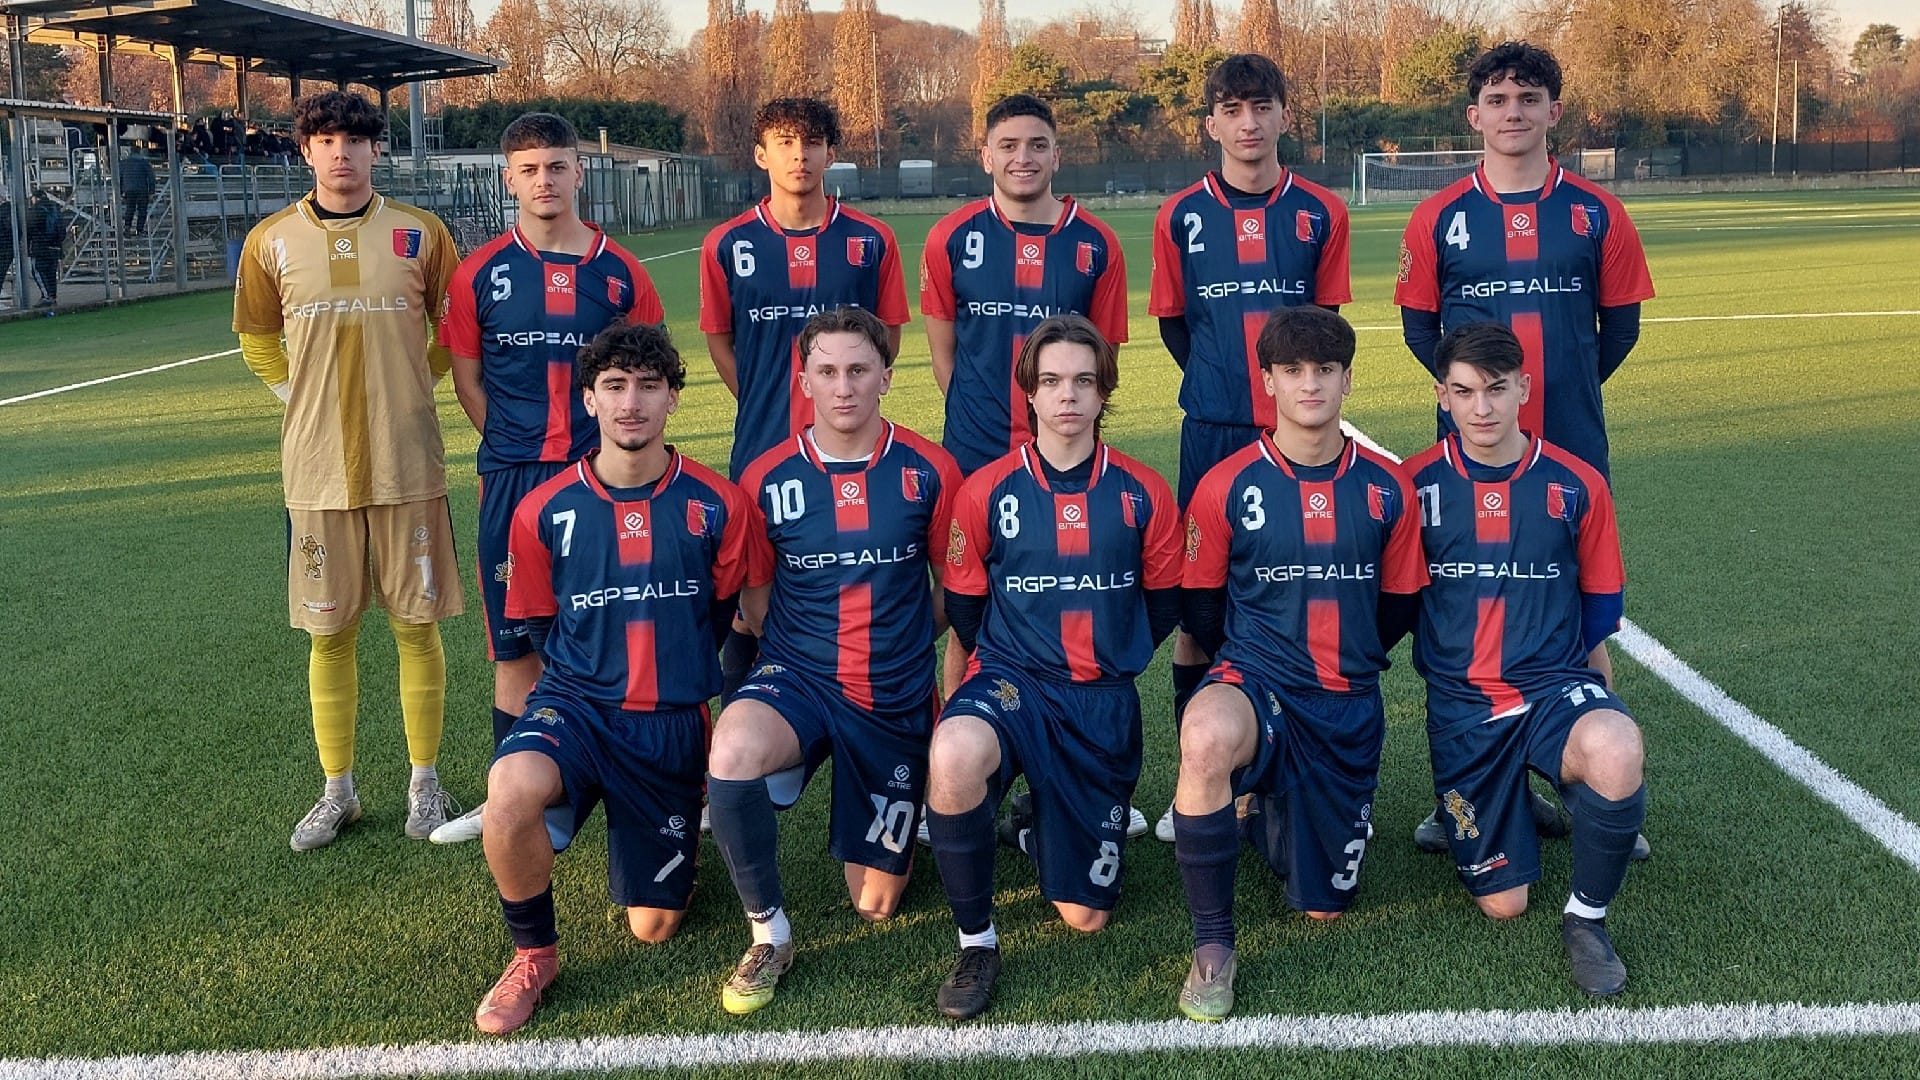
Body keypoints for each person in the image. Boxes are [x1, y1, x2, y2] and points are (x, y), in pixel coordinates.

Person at [1393, 40, 1654, 851]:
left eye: (1529, 98)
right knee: (1460, 610)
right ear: (1474, 115)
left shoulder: (1597, 212)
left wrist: (1554, 393)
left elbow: (1620, 330)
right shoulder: (1438, 217)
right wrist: (1484, 408)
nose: (1514, 112)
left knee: (1579, 612)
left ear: (1554, 111)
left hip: (1569, 441)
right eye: (1499, 100)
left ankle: (1591, 792)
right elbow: (1420, 330)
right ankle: (1463, 793)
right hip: (1468, 455)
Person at [470, 321, 763, 1036]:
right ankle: (533, 955)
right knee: (508, 791)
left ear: (672, 399)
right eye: (614, 386)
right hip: (575, 708)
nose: (631, 403)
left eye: (648, 386)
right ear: (590, 400)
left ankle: (668, 826)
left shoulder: (717, 504)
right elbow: (538, 628)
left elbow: (729, 615)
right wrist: (589, 677)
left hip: (668, 725)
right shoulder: (544, 509)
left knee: (655, 926)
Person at [1171, 305, 1427, 1021]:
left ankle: (1261, 808)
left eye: (1325, 370)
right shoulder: (1226, 484)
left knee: (1323, 905)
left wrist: (1348, 660)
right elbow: (1202, 608)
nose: (1309, 384)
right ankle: (1213, 946)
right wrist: (1251, 662)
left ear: (1348, 381)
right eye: (1292, 370)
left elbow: (1398, 606)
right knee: (1205, 737)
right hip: (1256, 684)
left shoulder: (1387, 486)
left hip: (1345, 703)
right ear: (1268, 382)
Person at [923, 315, 1182, 1020]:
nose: (1067, 395)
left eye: (1083, 381)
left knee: (1086, 916)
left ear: (1104, 392)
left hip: (1098, 701)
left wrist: (1109, 659)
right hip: (1012, 683)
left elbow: (1163, 604)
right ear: (1030, 393)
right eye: (1051, 381)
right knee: (954, 750)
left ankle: (1034, 826)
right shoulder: (986, 490)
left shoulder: (1142, 492)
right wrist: (1004, 662)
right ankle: (976, 942)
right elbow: (967, 607)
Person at [707, 307, 962, 1016]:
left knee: (876, 904)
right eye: (827, 371)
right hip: (800, 679)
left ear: (886, 376)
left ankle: (891, 795)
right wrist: (806, 651)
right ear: (804, 381)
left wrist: (903, 639)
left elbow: (952, 588)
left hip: (891, 693)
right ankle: (770, 933)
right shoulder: (766, 477)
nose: (843, 386)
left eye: (858, 370)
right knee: (732, 747)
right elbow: (757, 603)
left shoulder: (929, 470)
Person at [232, 90, 464, 851]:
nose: (341, 152)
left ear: (376, 150)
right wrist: (294, 397)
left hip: (408, 461)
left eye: (355, 139)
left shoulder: (420, 233)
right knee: (328, 635)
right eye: (326, 139)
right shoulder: (270, 241)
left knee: (415, 626)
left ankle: (424, 786)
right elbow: (257, 337)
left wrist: (414, 383)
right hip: (317, 470)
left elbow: (454, 328)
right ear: (305, 150)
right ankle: (339, 792)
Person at [432, 111, 667, 846]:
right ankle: (510, 794)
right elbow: (468, 378)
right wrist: (515, 445)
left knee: (623, 630)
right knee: (515, 645)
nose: (545, 181)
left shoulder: (621, 272)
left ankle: (651, 787)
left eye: (557, 166)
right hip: (513, 480)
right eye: (530, 170)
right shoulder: (479, 274)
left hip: (603, 482)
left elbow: (648, 377)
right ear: (509, 179)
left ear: (579, 173)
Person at [1405, 322, 1646, 996]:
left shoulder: (1576, 483)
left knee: (1617, 745)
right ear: (1442, 396)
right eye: (1464, 392)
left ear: (1524, 388)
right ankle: (1506, 797)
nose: (1481, 408)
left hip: (1550, 689)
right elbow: (1392, 599)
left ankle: (1586, 920)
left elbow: (1600, 603)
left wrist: (1594, 691)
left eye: (1497, 389)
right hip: (1464, 707)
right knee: (1504, 904)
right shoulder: (1411, 486)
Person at [1147, 53, 1352, 843]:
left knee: (1299, 599)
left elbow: (1324, 332)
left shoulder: (1320, 211)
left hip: (1300, 437)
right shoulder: (1179, 216)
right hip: (1214, 429)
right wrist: (1224, 385)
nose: (1249, 122)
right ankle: (1200, 783)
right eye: (1232, 109)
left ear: (1283, 116)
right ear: (1211, 124)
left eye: (1262, 106)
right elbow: (1177, 325)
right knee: (1200, 608)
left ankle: (1293, 775)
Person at [921, 91, 1130, 723]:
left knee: (1060, 594)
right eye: (1008, 146)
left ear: (1057, 155)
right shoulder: (951, 237)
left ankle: (1059, 735)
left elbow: (1101, 363)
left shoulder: (1096, 243)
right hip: (975, 450)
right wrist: (979, 416)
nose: (1023, 158)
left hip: (1065, 456)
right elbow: (945, 354)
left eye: (1038, 145)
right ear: (985, 156)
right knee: (967, 603)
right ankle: (958, 747)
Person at [699, 96, 910, 698]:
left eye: (812, 142)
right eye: (785, 143)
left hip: (852, 453)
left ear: (830, 153)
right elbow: (720, 343)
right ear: (760, 154)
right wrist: (766, 397)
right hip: (762, 446)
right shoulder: (726, 244)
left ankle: (857, 712)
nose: (800, 155)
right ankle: (745, 733)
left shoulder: (871, 240)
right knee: (751, 602)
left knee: (849, 581)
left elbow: (886, 340)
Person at [25, 189, 64, 308]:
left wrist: (28, 245)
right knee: (51, 273)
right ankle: (52, 296)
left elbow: (29, 228)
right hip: (55, 246)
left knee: (38, 271)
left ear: (36, 198)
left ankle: (47, 297)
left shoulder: (37, 210)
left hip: (40, 247)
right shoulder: (55, 208)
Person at [119, 145, 155, 236]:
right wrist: (151, 191)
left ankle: (127, 227)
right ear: (140, 152)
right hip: (142, 189)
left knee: (129, 209)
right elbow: (151, 177)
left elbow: (119, 178)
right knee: (142, 210)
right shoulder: (144, 163)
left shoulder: (124, 163)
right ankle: (140, 230)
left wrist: (120, 192)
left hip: (128, 190)